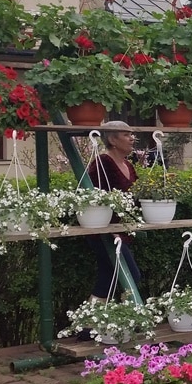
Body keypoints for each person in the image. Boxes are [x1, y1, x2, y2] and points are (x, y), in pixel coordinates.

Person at [84, 121, 143, 308]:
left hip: (121, 232)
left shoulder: (128, 165)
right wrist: (110, 229)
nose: (132, 138)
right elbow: (92, 198)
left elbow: (135, 195)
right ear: (112, 139)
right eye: (126, 135)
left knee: (107, 277)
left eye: (132, 134)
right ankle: (130, 318)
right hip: (105, 233)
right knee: (131, 275)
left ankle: (89, 326)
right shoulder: (102, 163)